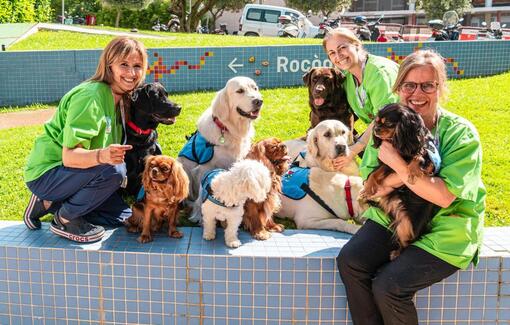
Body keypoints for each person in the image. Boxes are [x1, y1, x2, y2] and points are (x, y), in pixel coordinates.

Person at [337, 49, 486, 324]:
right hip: (395, 215)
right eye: (409, 85)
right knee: (351, 261)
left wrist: (397, 165)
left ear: (440, 88)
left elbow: (442, 196)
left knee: (389, 286)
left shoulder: (460, 133)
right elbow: (373, 187)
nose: (417, 94)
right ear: (398, 88)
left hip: (447, 226)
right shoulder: (386, 125)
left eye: (427, 85)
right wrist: (404, 177)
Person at [23, 36, 148, 243]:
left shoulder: (122, 99)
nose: (131, 73)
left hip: (79, 174)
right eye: (124, 64)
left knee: (124, 217)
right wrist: (103, 155)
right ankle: (64, 219)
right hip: (50, 172)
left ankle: (47, 203)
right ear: (109, 65)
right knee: (115, 170)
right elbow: (70, 157)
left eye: (137, 66)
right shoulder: (90, 96)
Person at [322, 27, 399, 170]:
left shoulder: (379, 72)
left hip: (404, 133)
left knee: (373, 176)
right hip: (383, 133)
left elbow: (386, 118)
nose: (338, 56)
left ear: (356, 45)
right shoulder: (349, 78)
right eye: (332, 53)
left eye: (342, 48)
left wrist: (355, 148)